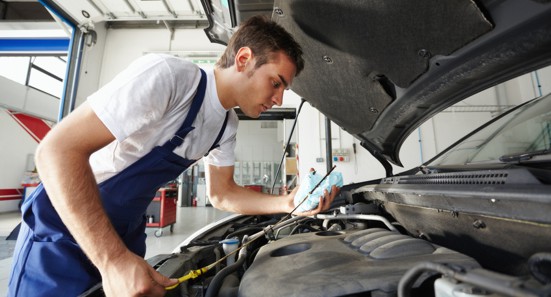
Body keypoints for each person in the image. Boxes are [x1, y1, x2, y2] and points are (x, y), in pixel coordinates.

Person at [8, 15, 339, 297]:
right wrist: (112, 261)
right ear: (243, 60)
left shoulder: (226, 124)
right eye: (276, 82)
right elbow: (56, 150)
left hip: (124, 232)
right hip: (64, 230)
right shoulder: (170, 78)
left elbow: (222, 193)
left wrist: (288, 203)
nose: (279, 99)